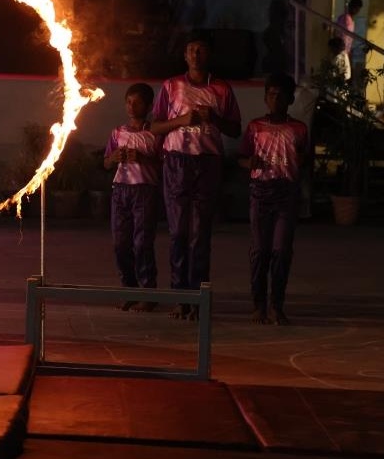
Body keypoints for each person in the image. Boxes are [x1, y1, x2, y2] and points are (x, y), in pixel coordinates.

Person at [151, 31, 241, 320]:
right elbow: (154, 127)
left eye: (201, 50)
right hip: (177, 161)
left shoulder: (222, 89)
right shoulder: (172, 85)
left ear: (209, 54)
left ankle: (198, 297)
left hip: (208, 162)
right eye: (191, 50)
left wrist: (214, 119)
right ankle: (180, 297)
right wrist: (181, 120)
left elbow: (235, 129)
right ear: (184, 55)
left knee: (200, 233)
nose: (196, 55)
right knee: (178, 232)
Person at [238, 73, 308, 326]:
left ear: (290, 99)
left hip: (286, 193)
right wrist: (250, 163)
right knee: (259, 250)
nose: (275, 99)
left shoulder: (298, 129)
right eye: (271, 94)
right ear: (265, 97)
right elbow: (241, 157)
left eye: (280, 95)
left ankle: (277, 304)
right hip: (261, 191)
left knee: (281, 250)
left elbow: (304, 161)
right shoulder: (255, 127)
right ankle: (259, 304)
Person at [102, 83, 161, 312]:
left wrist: (143, 159)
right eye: (128, 101)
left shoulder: (154, 133)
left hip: (144, 190)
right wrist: (114, 158)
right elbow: (106, 162)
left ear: (148, 106)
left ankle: (148, 292)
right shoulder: (118, 132)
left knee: (142, 243)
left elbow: (164, 164)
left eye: (136, 102)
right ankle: (129, 289)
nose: (131, 106)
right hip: (121, 190)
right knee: (120, 244)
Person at [335, 0, 364, 65]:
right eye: (355, 7)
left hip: (347, 50)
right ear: (350, 7)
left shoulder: (351, 20)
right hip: (340, 49)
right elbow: (339, 34)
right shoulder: (344, 18)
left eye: (358, 8)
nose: (356, 10)